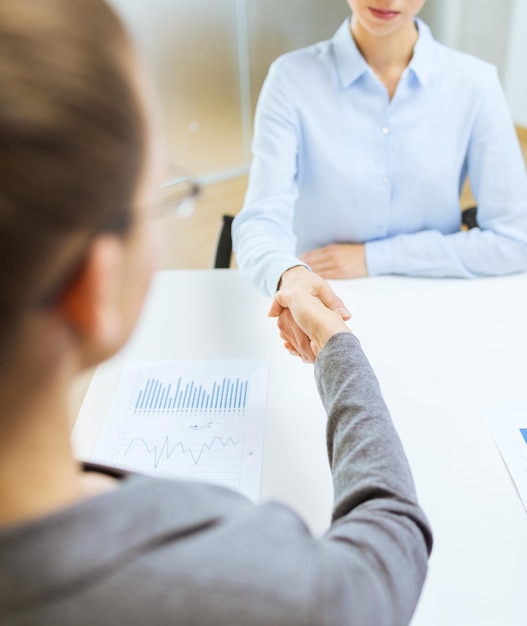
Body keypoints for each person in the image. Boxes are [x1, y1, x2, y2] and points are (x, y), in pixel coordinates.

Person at [0, 1, 432, 624]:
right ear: (94, 285)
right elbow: (386, 551)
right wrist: (338, 348)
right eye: (163, 195)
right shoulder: (248, 582)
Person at [232, 0, 527, 302]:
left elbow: (516, 240)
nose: (389, 0)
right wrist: (288, 275)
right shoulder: (290, 78)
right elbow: (260, 220)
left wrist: (374, 257)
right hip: (320, 299)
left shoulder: (475, 84)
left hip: (437, 299)